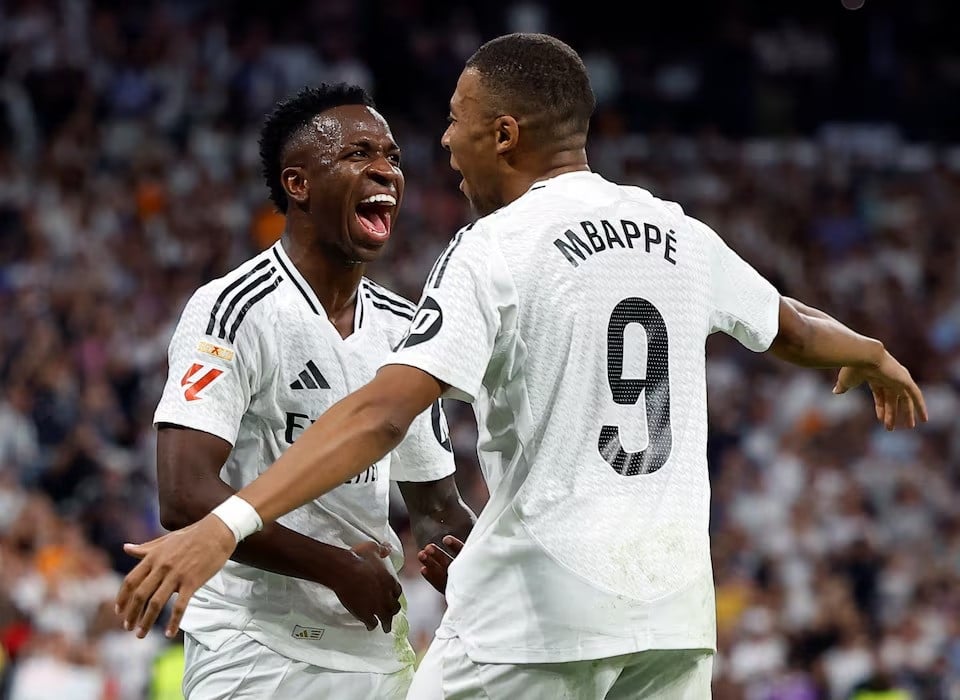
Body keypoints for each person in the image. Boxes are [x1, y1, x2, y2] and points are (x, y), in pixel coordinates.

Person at [116, 34, 927, 698]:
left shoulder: (492, 248)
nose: (437, 147)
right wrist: (875, 351)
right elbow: (790, 324)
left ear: (503, 134)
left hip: (538, 608)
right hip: (672, 616)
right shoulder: (674, 228)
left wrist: (226, 527)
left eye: (452, 122)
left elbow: (381, 419)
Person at [139, 83, 475, 699]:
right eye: (358, 153)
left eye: (393, 157)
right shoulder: (232, 309)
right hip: (254, 647)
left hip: (375, 648)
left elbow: (434, 508)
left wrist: (476, 565)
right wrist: (336, 568)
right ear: (299, 185)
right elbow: (184, 494)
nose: (385, 169)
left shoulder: (407, 328)